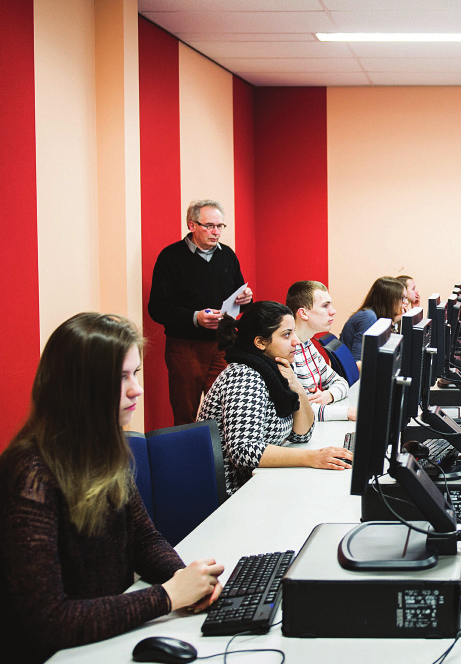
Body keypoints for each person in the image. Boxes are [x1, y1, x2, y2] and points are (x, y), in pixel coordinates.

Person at [0, 313, 224, 664]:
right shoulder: (31, 473)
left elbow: (145, 541)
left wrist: (183, 580)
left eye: (134, 373)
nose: (137, 388)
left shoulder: (105, 448)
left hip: (101, 640)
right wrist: (167, 597)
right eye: (120, 378)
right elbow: (46, 622)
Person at [197, 301, 353, 497]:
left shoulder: (276, 370)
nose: (296, 341)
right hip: (232, 493)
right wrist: (312, 457)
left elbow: (301, 434)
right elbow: (245, 451)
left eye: (294, 332)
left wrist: (296, 386)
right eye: (287, 335)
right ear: (260, 343)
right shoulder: (244, 376)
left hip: (261, 483)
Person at [148, 199, 253, 425]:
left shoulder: (227, 255)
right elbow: (157, 308)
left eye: (220, 226)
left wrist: (246, 299)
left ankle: (221, 458)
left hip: (224, 344)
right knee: (186, 413)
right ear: (192, 225)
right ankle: (187, 459)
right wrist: (195, 318)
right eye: (209, 226)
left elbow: (238, 299)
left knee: (226, 410)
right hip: (186, 347)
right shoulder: (171, 257)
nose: (216, 232)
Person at [286, 280, 356, 422]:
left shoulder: (308, 345)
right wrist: (347, 413)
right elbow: (298, 411)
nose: (333, 311)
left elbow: (341, 382)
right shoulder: (287, 352)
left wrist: (328, 395)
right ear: (303, 313)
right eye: (325, 306)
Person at [340, 276, 407, 365]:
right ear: (389, 300)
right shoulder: (368, 317)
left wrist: (399, 318)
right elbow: (357, 362)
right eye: (402, 298)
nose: (406, 302)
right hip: (352, 377)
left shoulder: (372, 314)